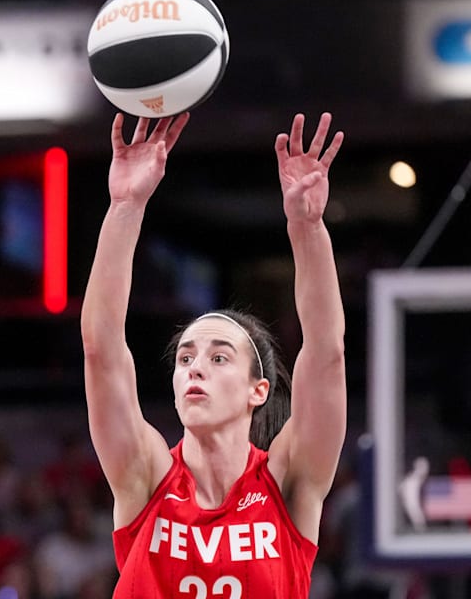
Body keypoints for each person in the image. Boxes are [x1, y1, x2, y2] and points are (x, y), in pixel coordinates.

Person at [80, 111, 346, 598]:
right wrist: (124, 206)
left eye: (219, 357)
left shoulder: (289, 481)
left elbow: (326, 354)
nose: (195, 366)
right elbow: (101, 348)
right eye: (185, 359)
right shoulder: (145, 473)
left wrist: (307, 228)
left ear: (257, 390)